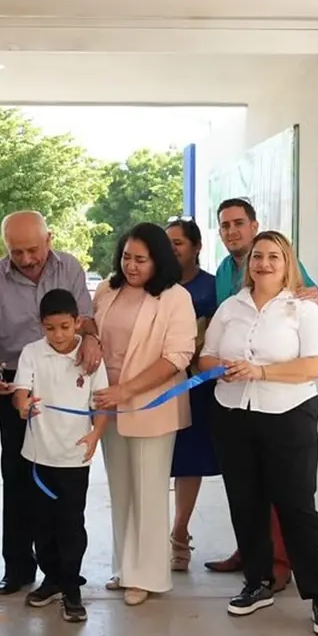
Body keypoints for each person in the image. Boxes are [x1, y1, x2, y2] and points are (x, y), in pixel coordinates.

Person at [199, 230, 318, 636]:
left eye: (273, 257)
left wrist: (260, 371)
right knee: (245, 501)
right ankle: (257, 583)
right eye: (257, 256)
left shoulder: (303, 310)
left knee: (297, 506)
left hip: (288, 414)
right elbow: (203, 357)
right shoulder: (230, 308)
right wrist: (221, 365)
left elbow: (316, 366)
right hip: (232, 413)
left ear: (287, 263)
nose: (263, 263)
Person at [0, 210, 102, 596]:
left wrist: (91, 338)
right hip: (16, 382)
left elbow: (86, 319)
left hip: (66, 381)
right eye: (17, 252)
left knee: (63, 479)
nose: (26, 259)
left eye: (33, 250)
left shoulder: (71, 268)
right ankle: (18, 568)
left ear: (50, 239)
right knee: (17, 475)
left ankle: (63, 570)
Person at [94, 222, 197, 606]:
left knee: (149, 490)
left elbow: (177, 356)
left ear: (159, 260)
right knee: (120, 488)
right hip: (109, 406)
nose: (132, 266)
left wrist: (128, 390)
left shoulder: (175, 298)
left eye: (141, 259)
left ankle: (148, 575)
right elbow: (92, 329)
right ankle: (125, 567)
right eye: (126, 258)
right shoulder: (108, 289)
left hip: (151, 406)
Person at [12, 289, 110, 623]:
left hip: (74, 457)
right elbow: (20, 393)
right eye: (51, 328)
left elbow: (101, 403)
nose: (58, 335)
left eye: (65, 327)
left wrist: (96, 433)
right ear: (41, 326)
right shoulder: (31, 354)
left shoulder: (91, 357)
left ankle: (71, 586)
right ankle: (51, 578)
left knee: (70, 523)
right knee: (41, 523)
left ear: (78, 323)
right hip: (39, 455)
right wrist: (23, 406)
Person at [164, 218, 218, 571]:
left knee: (188, 464)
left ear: (197, 247)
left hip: (197, 388)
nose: (171, 249)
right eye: (166, 243)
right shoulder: (155, 285)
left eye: (178, 243)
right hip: (155, 387)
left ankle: (179, 533)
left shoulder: (213, 287)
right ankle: (148, 540)